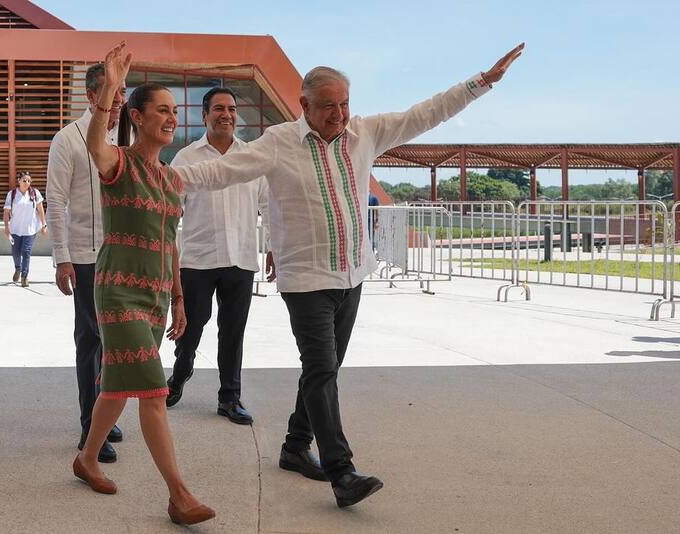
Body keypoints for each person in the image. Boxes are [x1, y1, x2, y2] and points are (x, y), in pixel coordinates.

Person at [173, 43, 525, 508]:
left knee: (324, 368)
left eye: (344, 104)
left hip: (352, 274)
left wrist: (480, 83)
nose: (339, 115)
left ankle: (295, 447)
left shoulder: (365, 134)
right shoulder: (278, 143)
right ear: (304, 107)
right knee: (321, 369)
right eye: (328, 107)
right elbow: (223, 171)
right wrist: (167, 178)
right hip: (305, 280)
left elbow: (426, 114)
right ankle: (342, 472)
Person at [73, 43, 214, 526]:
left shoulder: (173, 181)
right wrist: (109, 87)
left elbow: (170, 243)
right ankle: (178, 495)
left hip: (156, 296)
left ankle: (87, 458)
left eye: (176, 111)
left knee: (116, 387)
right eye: (161, 110)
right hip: (117, 293)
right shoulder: (119, 164)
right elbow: (94, 145)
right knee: (153, 392)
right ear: (136, 115)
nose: (172, 118)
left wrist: (178, 299)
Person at [166, 86, 270, 425]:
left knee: (233, 331)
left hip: (240, 258)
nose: (226, 114)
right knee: (190, 327)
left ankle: (230, 398)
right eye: (219, 109)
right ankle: (180, 374)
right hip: (198, 259)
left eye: (231, 109)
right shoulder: (186, 158)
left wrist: (273, 248)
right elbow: (170, 213)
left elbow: (269, 206)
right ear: (205, 115)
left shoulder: (252, 157)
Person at [47, 63, 125, 463]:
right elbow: (55, 203)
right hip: (86, 258)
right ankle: (88, 427)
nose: (121, 100)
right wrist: (62, 259)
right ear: (93, 96)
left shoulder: (120, 140)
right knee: (91, 341)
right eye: (115, 92)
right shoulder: (68, 140)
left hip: (121, 257)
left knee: (114, 345)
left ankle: (104, 416)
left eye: (125, 92)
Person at [3, 171, 47, 288]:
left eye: (29, 181)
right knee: (16, 253)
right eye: (24, 180)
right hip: (15, 229)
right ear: (19, 181)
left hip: (30, 229)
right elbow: (6, 212)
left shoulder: (34, 193)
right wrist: (6, 228)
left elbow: (40, 209)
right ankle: (18, 268)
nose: (27, 183)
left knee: (26, 252)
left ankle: (24, 276)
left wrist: (44, 225)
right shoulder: (12, 194)